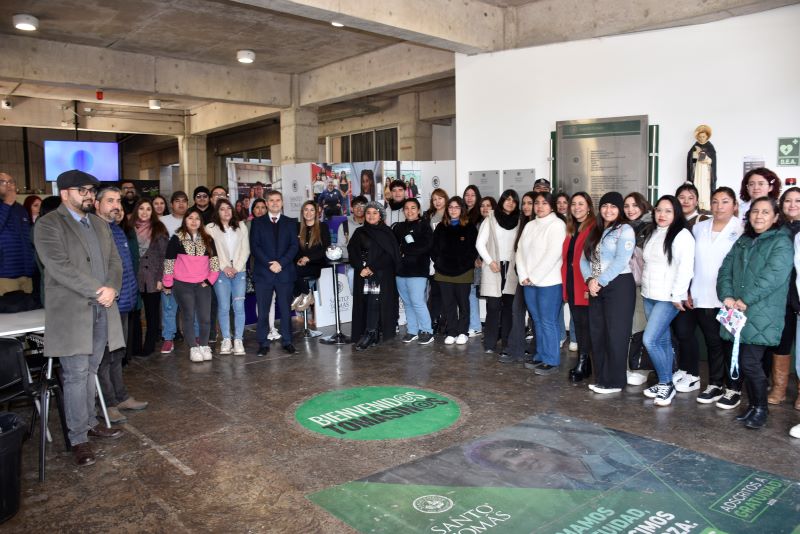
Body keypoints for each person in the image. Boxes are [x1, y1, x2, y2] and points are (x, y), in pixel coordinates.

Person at [34, 170, 126, 466]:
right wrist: (98, 289)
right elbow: (58, 266)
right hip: (73, 311)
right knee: (74, 375)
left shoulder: (99, 224)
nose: (89, 195)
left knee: (90, 370)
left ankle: (88, 423)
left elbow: (114, 261)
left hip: (102, 308)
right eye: (83, 190)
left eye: (91, 190)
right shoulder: (48, 224)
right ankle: (78, 439)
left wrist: (111, 288)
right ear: (65, 193)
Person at [717, 196, 793, 429]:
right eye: (755, 212)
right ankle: (753, 406)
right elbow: (725, 269)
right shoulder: (743, 240)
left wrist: (744, 299)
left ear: (776, 217)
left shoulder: (781, 242)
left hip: (762, 313)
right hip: (739, 311)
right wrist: (727, 295)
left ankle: (761, 408)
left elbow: (773, 277)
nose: (759, 216)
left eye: (765, 212)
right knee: (743, 361)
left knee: (750, 363)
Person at [93, 187, 148, 423]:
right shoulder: (93, 230)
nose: (116, 205)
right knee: (104, 356)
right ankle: (106, 403)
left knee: (117, 353)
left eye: (118, 201)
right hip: (106, 303)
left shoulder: (116, 230)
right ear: (96, 204)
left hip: (123, 301)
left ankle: (120, 395)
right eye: (110, 201)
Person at [691, 187, 744, 409]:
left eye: (725, 201)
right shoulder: (698, 227)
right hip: (702, 295)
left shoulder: (742, 229)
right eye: (715, 201)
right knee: (712, 343)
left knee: (729, 345)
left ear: (734, 206)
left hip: (729, 298)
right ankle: (714, 384)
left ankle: (734, 388)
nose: (719, 206)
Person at [640, 195, 695, 407]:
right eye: (659, 210)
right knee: (661, 340)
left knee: (650, 340)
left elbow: (685, 268)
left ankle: (666, 383)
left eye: (668, 211)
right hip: (649, 294)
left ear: (676, 213)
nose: (662, 215)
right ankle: (667, 379)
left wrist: (678, 295)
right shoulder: (653, 232)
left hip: (668, 298)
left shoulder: (682, 236)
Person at [580, 192, 636, 394]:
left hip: (619, 285)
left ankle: (615, 381)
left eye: (613, 206)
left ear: (620, 209)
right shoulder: (596, 229)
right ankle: (602, 378)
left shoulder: (625, 230)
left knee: (616, 334)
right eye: (605, 206)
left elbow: (621, 260)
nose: (608, 210)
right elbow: (584, 260)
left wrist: (599, 282)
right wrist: (589, 281)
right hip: (597, 286)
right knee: (598, 333)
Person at [516, 192, 567, 375]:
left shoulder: (557, 225)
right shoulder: (530, 225)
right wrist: (523, 275)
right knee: (537, 320)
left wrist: (534, 277)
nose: (539, 206)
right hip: (528, 282)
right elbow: (520, 251)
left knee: (548, 321)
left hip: (549, 283)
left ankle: (551, 360)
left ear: (552, 206)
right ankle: (541, 355)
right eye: (537, 203)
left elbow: (553, 255)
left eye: (544, 203)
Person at [669, 183, 711, 393]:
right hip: (675, 286)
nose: (685, 201)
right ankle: (684, 369)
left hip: (693, 287)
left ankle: (693, 374)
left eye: (690, 197)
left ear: (697, 201)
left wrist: (688, 289)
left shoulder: (703, 221)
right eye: (681, 197)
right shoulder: (673, 221)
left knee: (686, 331)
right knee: (679, 331)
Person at [163, 210, 220, 362]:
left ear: (201, 222)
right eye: (190, 218)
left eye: (197, 218)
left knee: (205, 318)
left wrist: (209, 281)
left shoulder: (208, 239)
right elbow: (169, 262)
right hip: (182, 285)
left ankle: (203, 345)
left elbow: (214, 263)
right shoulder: (176, 238)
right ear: (185, 220)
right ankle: (193, 348)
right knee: (188, 316)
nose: (194, 221)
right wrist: (167, 283)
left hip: (203, 285)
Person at [250, 190, 298, 355]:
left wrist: (281, 263)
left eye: (278, 200)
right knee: (263, 310)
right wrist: (270, 264)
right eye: (271, 200)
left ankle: (287, 341)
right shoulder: (257, 223)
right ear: (267, 203)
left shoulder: (291, 222)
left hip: (284, 272)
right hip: (264, 273)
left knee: (285, 309)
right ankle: (263, 342)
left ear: (282, 202)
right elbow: (255, 247)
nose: (275, 203)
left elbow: (294, 247)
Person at [348, 202, 401, 350]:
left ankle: (371, 333)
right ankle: (370, 332)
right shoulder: (359, 232)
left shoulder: (387, 232)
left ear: (381, 215)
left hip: (380, 275)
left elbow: (389, 255)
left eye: (375, 213)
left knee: (374, 303)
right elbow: (352, 252)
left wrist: (371, 268)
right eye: (368, 213)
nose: (371, 216)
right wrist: (361, 267)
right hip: (362, 274)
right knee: (364, 303)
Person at [766, 186, 800, 405]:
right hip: (781, 295)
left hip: (799, 292)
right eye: (788, 200)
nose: (792, 205)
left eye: (798, 201)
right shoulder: (776, 228)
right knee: (781, 342)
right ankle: (779, 388)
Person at [477, 190, 519, 354]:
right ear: (501, 201)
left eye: (513, 201)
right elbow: (480, 243)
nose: (510, 203)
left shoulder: (520, 219)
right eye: (507, 199)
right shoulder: (491, 218)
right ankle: (490, 344)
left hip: (512, 268)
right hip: (494, 266)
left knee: (509, 307)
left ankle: (507, 344)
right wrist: (490, 261)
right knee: (493, 307)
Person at [433, 196, 479, 345]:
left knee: (463, 303)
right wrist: (438, 262)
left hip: (463, 272)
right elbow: (434, 249)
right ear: (447, 210)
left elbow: (473, 250)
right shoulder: (441, 226)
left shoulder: (469, 227)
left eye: (456, 207)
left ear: (462, 209)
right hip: (443, 271)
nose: (453, 210)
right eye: (450, 207)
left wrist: (464, 264)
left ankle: (462, 332)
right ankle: (451, 332)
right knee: (448, 304)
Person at [207, 199, 250, 356]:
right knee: (224, 307)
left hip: (240, 272)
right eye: (222, 209)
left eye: (228, 208)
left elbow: (245, 250)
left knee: (238, 307)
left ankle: (238, 339)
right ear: (217, 212)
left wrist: (236, 268)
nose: (226, 211)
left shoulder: (241, 226)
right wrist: (224, 267)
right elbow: (211, 251)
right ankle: (226, 339)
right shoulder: (210, 228)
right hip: (220, 272)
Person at [127, 198, 169, 356]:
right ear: (136, 210)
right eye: (141, 208)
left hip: (152, 278)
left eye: (148, 209)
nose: (145, 212)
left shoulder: (159, 228)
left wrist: (161, 278)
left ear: (153, 212)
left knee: (152, 315)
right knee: (135, 314)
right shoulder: (129, 228)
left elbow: (165, 256)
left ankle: (149, 346)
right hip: (133, 277)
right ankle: (135, 347)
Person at [500, 192, 536, 364]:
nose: (527, 206)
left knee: (536, 316)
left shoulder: (540, 225)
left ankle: (536, 349)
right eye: (524, 203)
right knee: (517, 310)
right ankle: (515, 348)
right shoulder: (523, 223)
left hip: (538, 278)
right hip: (522, 277)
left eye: (531, 203)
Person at [562, 192, 596, 382]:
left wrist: (587, 283)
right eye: (573, 204)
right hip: (571, 283)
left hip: (585, 283)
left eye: (581, 204)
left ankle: (584, 362)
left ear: (589, 207)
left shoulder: (593, 227)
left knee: (585, 327)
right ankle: (585, 362)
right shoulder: (571, 228)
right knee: (579, 324)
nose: (576, 207)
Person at [393, 198, 435, 345]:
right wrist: (402, 252)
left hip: (418, 271)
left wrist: (404, 250)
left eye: (413, 208)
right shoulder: (398, 227)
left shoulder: (424, 226)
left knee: (417, 302)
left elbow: (426, 246)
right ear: (403, 210)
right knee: (407, 303)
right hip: (401, 271)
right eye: (406, 208)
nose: (409, 211)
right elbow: (394, 248)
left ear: (418, 210)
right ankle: (412, 330)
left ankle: (427, 331)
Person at [623, 191, 654, 386]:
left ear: (642, 206)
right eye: (626, 206)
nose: (630, 209)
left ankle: (641, 367)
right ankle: (630, 365)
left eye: (634, 205)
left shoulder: (651, 228)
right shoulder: (623, 228)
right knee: (629, 326)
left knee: (641, 326)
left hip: (645, 285)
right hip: (627, 283)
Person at [159, 191, 189, 354]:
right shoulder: (162, 221)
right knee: (169, 308)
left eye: (184, 201)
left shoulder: (193, 220)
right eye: (177, 201)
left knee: (192, 308)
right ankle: (168, 338)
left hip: (190, 273)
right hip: (169, 272)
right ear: (171, 204)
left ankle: (196, 337)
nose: (181, 204)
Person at [291, 201, 330, 312]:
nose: (308, 212)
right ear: (302, 212)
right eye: (306, 210)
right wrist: (299, 259)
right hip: (300, 264)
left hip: (317, 264)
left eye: (312, 210)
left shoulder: (323, 227)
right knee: (289, 269)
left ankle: (303, 294)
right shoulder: (297, 227)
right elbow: (294, 248)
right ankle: (303, 294)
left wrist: (308, 258)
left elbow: (325, 249)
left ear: (316, 212)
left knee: (294, 270)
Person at [0, 172, 35, 295]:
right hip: (5, 274)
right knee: (11, 312)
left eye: (11, 182)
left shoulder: (21, 209)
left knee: (30, 312)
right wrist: (7, 205)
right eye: (3, 182)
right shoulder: (6, 206)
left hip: (26, 272)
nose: (9, 185)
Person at [425, 188, 449, 333]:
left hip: (447, 259)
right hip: (432, 260)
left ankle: (445, 321)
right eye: (434, 199)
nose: (437, 201)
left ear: (445, 199)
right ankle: (433, 320)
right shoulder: (428, 216)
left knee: (447, 292)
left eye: (440, 198)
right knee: (435, 292)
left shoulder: (451, 214)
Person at [463, 185, 483, 336]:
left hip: (476, 260)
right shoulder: (462, 215)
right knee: (467, 292)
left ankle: (475, 325)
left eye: (473, 195)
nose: (469, 198)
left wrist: (479, 258)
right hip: (464, 259)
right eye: (467, 195)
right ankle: (471, 323)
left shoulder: (480, 216)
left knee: (471, 292)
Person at [686, 125, 716, 210]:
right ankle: (697, 204)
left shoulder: (710, 147)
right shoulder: (695, 146)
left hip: (706, 172)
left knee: (705, 189)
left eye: (703, 136)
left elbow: (712, 161)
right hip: (698, 171)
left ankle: (705, 206)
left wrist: (705, 158)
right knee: (697, 186)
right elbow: (690, 158)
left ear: (707, 136)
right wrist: (694, 155)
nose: (702, 138)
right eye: (700, 136)